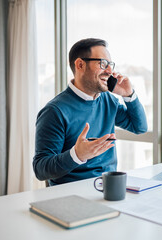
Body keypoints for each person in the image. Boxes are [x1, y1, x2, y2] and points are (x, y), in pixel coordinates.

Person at [33, 38, 148, 186]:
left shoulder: (108, 100)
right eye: (103, 64)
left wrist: (129, 95)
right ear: (80, 65)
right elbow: (40, 169)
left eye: (110, 65)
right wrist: (76, 155)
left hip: (109, 187)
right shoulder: (54, 111)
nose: (109, 71)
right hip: (72, 195)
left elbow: (139, 127)